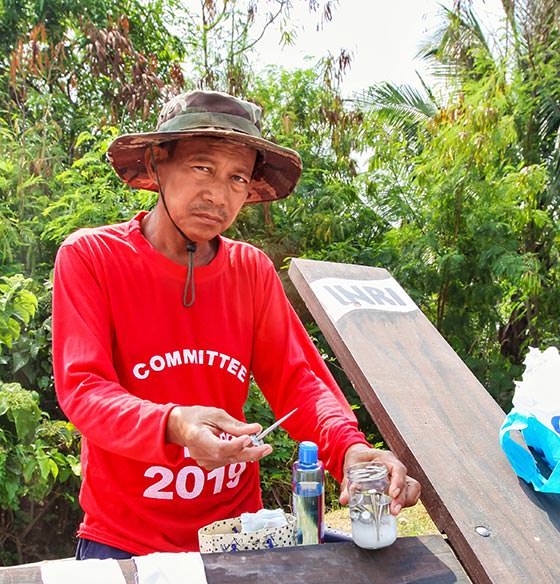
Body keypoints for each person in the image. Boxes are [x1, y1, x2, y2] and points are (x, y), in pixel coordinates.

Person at [52, 90, 421, 559]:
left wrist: (348, 450)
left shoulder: (251, 270)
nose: (218, 194)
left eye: (237, 178)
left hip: (239, 533)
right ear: (156, 162)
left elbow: (297, 382)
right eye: (202, 168)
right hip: (126, 542)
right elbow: (83, 389)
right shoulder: (92, 258)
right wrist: (174, 424)